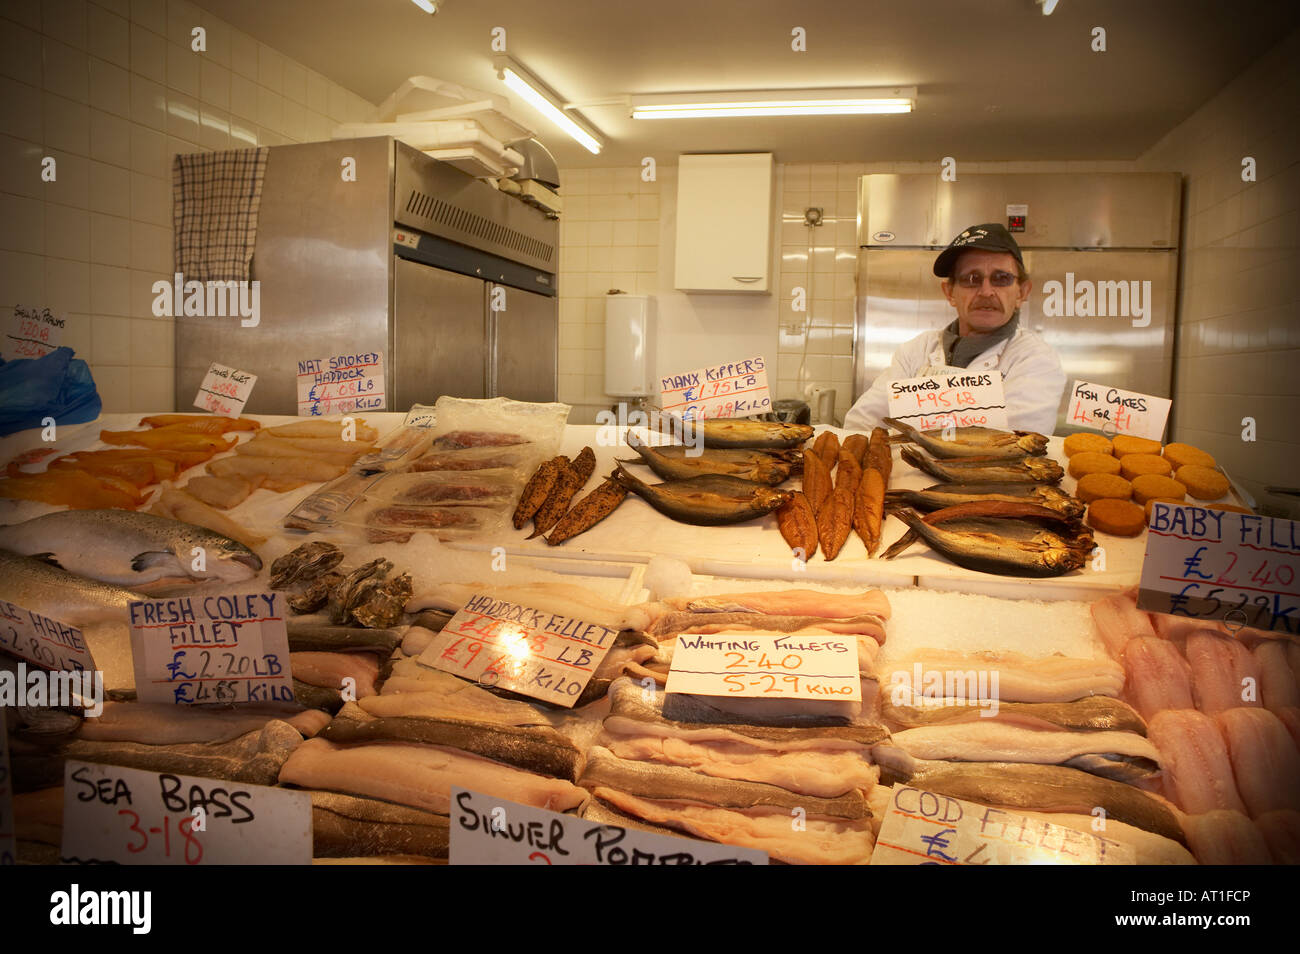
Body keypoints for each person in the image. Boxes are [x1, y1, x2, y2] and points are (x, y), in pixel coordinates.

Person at [843, 223, 1066, 436]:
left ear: (1021, 293)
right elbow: (861, 424)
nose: (986, 291)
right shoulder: (916, 350)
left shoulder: (1036, 359)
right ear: (950, 292)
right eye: (971, 279)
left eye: (1001, 278)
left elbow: (1013, 443)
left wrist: (910, 428)